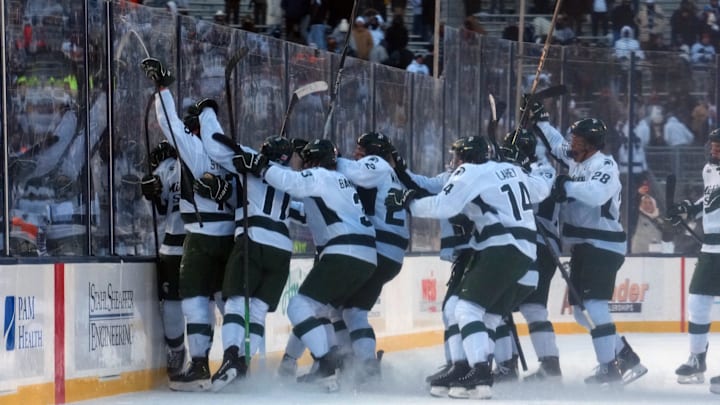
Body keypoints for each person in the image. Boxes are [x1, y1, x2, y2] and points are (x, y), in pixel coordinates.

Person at [385, 136, 552, 399]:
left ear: (466, 157)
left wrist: (409, 202)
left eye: (457, 156)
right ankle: (466, 371)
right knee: (486, 316)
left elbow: (444, 206)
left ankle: (479, 371)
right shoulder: (512, 169)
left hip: (501, 246)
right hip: (526, 251)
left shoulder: (471, 171)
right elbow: (540, 190)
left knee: (465, 308)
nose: (454, 162)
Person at [234, 139, 377, 391]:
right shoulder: (340, 182)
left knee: (298, 306)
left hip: (344, 250)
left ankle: (326, 364)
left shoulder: (321, 175)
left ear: (313, 161)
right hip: (366, 256)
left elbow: (294, 183)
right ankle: (338, 362)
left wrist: (262, 166)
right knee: (319, 311)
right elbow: (304, 211)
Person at [141, 58, 235, 392]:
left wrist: (162, 90)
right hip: (231, 239)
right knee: (230, 303)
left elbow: (170, 126)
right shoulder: (233, 151)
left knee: (195, 302)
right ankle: (239, 359)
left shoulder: (196, 151)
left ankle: (198, 365)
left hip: (201, 238)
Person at [542, 118, 648, 385]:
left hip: (603, 245)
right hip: (585, 246)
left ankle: (609, 369)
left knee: (594, 305)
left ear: (590, 144)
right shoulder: (577, 161)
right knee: (580, 311)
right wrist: (540, 120)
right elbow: (556, 145)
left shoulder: (605, 165)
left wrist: (565, 186)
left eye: (577, 139)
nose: (572, 143)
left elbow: (596, 194)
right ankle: (624, 354)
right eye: (573, 137)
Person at [200, 114, 297, 389]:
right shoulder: (290, 177)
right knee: (256, 311)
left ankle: (231, 356)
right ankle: (241, 365)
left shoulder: (252, 158)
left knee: (235, 302)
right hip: (282, 251)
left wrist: (208, 113)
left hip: (253, 240)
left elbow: (215, 144)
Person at [334, 132, 410, 381]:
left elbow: (353, 172)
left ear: (373, 152)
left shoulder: (377, 165)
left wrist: (330, 157)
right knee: (351, 310)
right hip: (391, 253)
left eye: (360, 149)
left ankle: (357, 363)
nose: (356, 153)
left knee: (341, 308)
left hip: (379, 250)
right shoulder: (392, 174)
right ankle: (361, 363)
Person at [668, 128, 720, 395]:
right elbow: (709, 199)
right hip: (711, 246)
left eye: (719, 146)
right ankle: (697, 358)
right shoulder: (709, 170)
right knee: (698, 302)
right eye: (712, 145)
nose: (714, 150)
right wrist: (687, 207)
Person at [141, 141, 187, 378]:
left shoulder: (212, 158)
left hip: (194, 242)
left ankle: (188, 354)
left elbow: (158, 212)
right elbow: (158, 209)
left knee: (188, 304)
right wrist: (151, 195)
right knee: (180, 305)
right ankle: (185, 353)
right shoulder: (172, 166)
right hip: (183, 244)